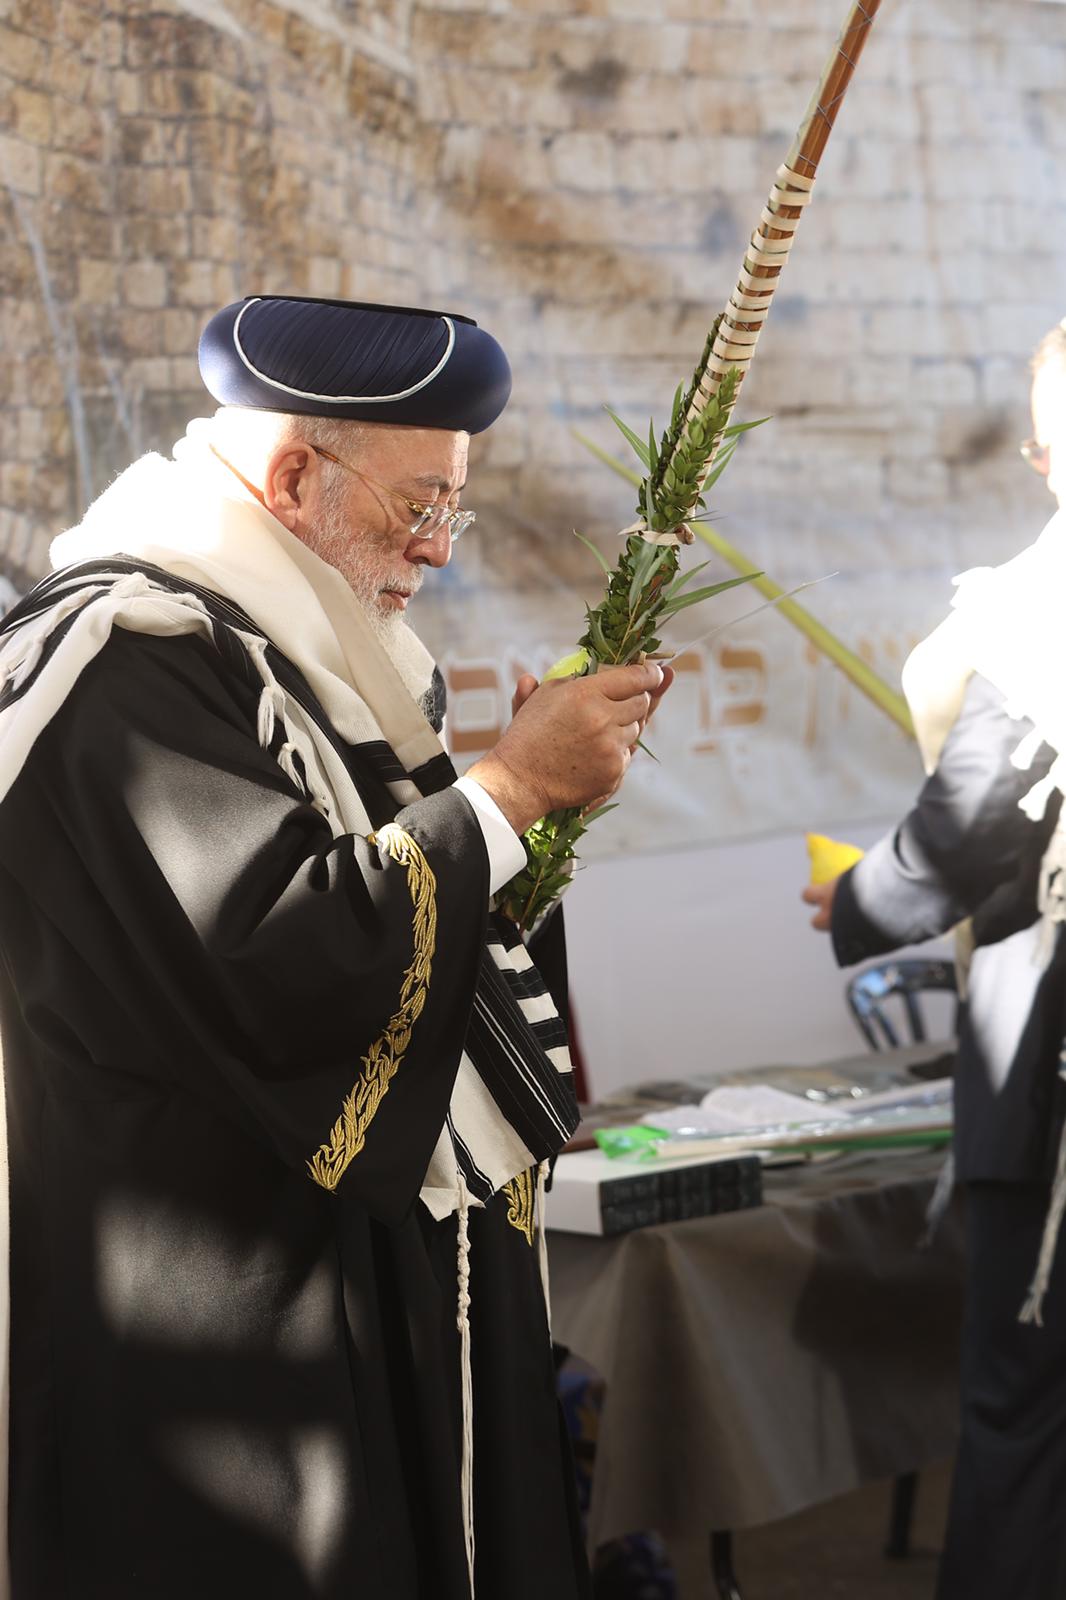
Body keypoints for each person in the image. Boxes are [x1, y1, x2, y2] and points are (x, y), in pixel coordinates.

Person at [0, 295, 670, 1599]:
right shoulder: (127, 663)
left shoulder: (306, 648)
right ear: (295, 473)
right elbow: (269, 956)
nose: (433, 554)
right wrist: (504, 798)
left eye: (451, 512)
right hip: (220, 1321)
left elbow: (405, 918)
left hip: (346, 1270)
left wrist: (518, 825)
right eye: (416, 508)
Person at [802, 320, 1066, 1599]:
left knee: (1026, 1414)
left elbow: (951, 854)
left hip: (1053, 1073)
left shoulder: (1041, 627)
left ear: (1037, 453)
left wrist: (855, 897)